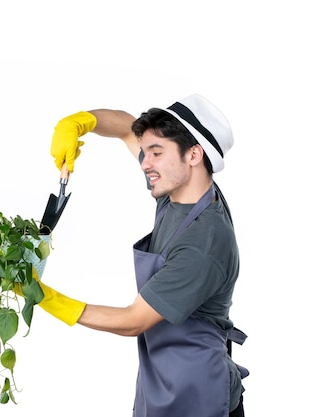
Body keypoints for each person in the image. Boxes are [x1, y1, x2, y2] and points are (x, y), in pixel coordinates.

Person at [24, 94, 249, 416]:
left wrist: (41, 295)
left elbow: (133, 321)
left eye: (157, 153)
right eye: (147, 152)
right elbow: (126, 128)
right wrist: (78, 123)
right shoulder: (181, 191)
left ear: (194, 154)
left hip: (198, 389)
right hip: (162, 374)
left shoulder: (204, 241)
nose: (145, 162)